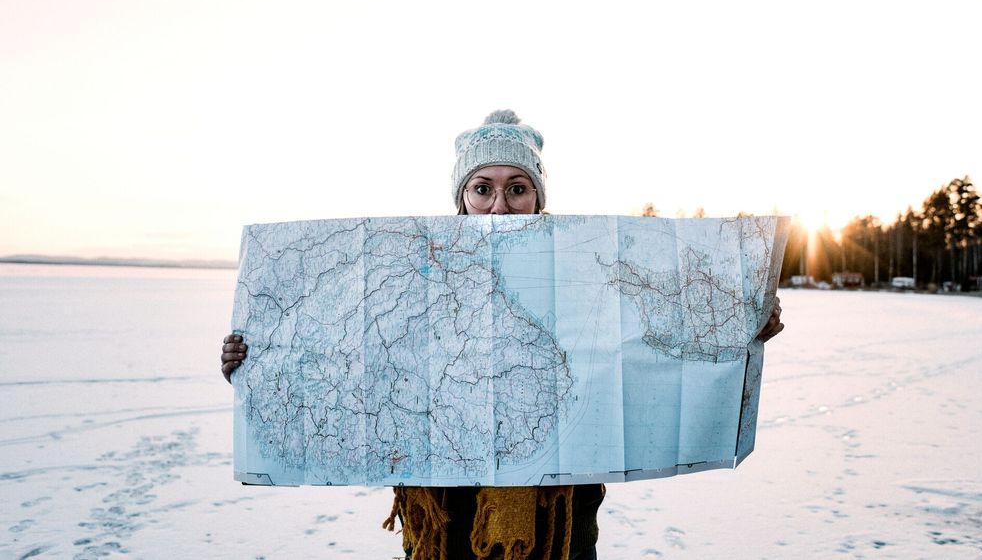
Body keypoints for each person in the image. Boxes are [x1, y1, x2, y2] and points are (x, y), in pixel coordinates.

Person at [220, 110, 785, 560]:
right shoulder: (410, 274)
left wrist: (738, 324)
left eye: (517, 188)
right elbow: (345, 358)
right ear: (460, 199)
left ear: (539, 198)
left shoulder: (584, 271)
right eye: (482, 188)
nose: (498, 205)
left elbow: (649, 342)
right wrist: (260, 362)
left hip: (557, 515)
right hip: (444, 511)